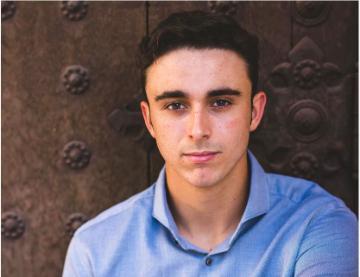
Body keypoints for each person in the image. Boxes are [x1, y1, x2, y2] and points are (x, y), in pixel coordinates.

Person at [63, 10, 357, 277]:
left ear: (254, 112)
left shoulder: (317, 224)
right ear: (149, 120)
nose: (199, 130)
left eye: (220, 102)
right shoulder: (95, 250)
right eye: (176, 105)